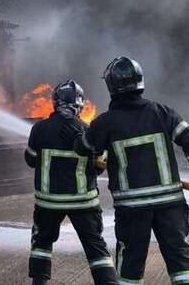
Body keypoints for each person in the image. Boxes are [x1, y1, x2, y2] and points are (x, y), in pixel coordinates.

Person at [74, 57, 189, 285]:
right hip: (170, 206)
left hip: (132, 210)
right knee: (181, 262)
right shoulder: (162, 112)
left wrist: (81, 136)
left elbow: (83, 148)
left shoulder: (105, 123)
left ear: (111, 86)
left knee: (129, 267)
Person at [25, 80, 118, 285]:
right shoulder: (88, 131)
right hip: (83, 202)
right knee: (95, 247)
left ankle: (39, 282)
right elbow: (100, 166)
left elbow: (31, 160)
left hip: (48, 203)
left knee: (42, 244)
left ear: (55, 102)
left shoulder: (39, 129)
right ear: (80, 104)